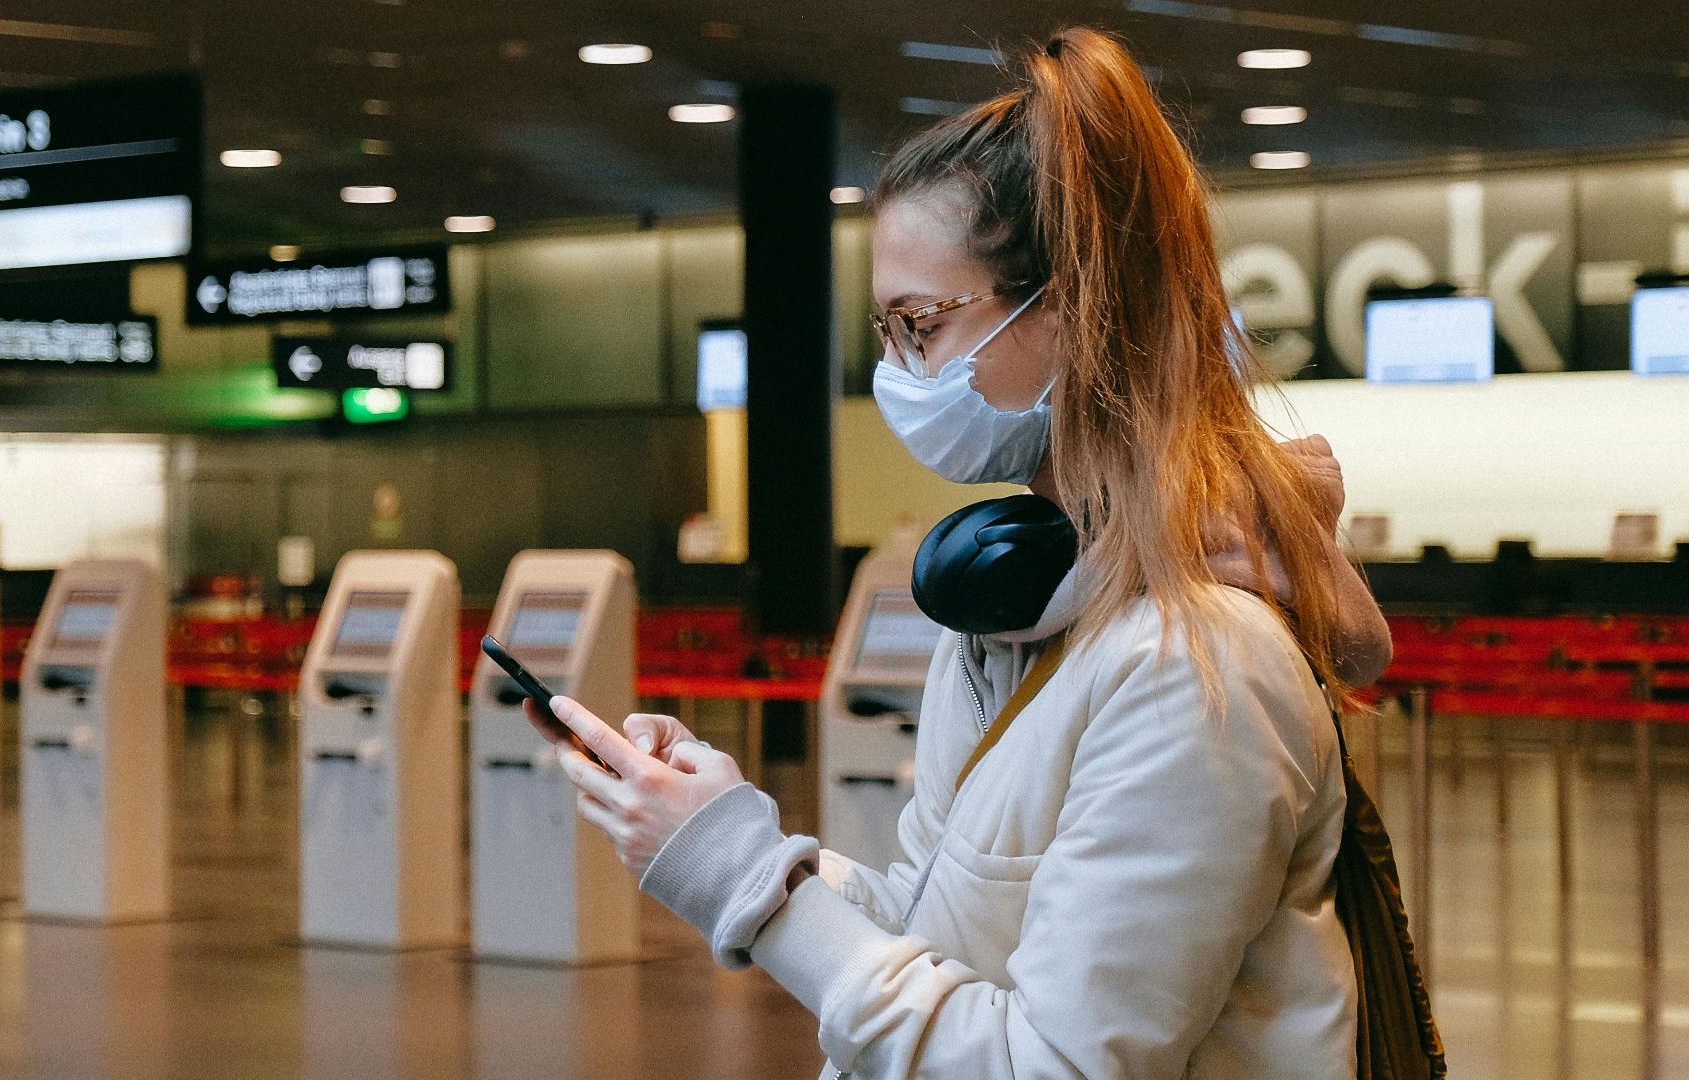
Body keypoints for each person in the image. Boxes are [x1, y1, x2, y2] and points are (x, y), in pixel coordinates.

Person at [535, 27, 1386, 1079]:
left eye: (920, 325)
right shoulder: (1019, 615)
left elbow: (1056, 1066)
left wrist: (749, 883)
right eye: (887, 333)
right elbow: (935, 929)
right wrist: (724, 833)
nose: (901, 372)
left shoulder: (1198, 671)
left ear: (1071, 307)